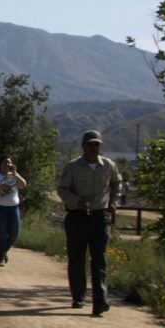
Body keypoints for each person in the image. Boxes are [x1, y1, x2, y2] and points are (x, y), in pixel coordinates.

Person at [56, 130, 123, 315]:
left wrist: (113, 202)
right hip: (77, 216)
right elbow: (62, 189)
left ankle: (100, 301)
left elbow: (117, 182)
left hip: (100, 217)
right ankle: (78, 296)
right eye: (90, 144)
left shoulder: (108, 165)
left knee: (99, 258)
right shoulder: (73, 167)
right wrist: (76, 200)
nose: (94, 148)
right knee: (77, 258)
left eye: (97, 145)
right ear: (83, 146)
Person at [0, 156, 27, 265]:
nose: (7, 165)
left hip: (13, 208)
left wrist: (15, 173)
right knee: (2, 233)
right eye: (4, 163)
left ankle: (3, 252)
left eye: (9, 163)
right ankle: (1, 259)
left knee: (14, 234)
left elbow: (23, 185)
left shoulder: (13, 176)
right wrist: (0, 187)